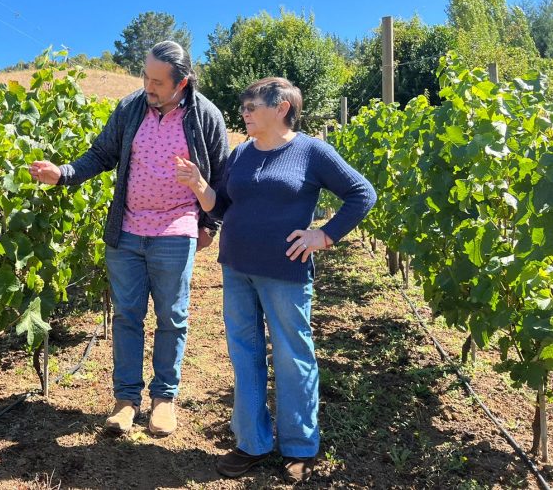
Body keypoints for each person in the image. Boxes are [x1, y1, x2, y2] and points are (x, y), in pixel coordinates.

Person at [175, 77, 376, 483]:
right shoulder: (241, 153)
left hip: (285, 273)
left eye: (252, 106)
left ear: (282, 108)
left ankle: (301, 447)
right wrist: (199, 186)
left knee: (291, 356)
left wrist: (324, 234)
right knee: (244, 354)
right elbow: (223, 204)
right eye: (244, 106)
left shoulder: (311, 151)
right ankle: (251, 443)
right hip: (236, 269)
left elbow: (362, 193)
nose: (244, 113)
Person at [29, 41, 229, 437]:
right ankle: (125, 401)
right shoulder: (131, 108)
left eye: (157, 82)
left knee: (172, 317)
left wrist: (210, 225)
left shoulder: (205, 116)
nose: (147, 87)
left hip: (176, 228)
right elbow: (101, 154)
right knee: (127, 316)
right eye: (144, 77)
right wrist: (64, 173)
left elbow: (222, 177)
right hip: (127, 230)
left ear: (182, 82)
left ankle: (164, 400)